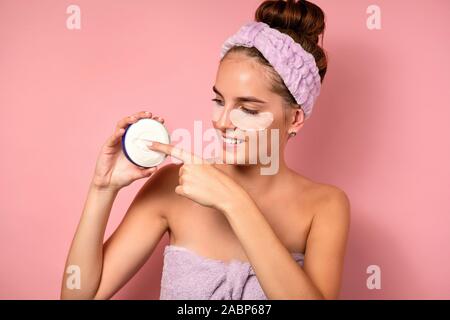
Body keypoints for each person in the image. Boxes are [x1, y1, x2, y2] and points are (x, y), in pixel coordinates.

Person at [60, 0, 350, 300]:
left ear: (295, 118)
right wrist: (102, 189)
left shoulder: (325, 207)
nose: (222, 122)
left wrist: (234, 203)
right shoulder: (174, 185)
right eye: (219, 101)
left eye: (248, 109)